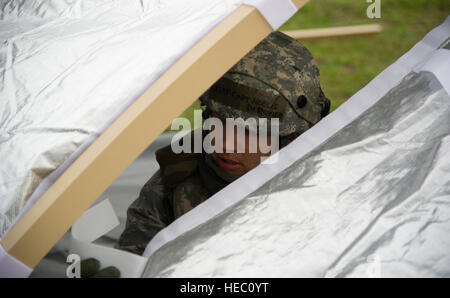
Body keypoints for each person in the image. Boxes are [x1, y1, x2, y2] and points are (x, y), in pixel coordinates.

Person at [114, 31, 331, 256]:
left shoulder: (325, 190)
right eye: (219, 123)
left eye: (249, 132)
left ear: (291, 139)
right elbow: (136, 256)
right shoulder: (177, 179)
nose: (225, 145)